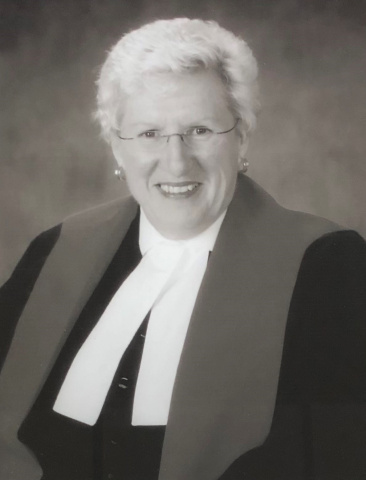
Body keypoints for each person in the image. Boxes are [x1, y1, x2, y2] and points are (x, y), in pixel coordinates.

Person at [0, 17, 365, 480]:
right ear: (117, 147)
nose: (176, 161)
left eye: (200, 130)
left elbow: (339, 458)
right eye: (149, 133)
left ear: (242, 137)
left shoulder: (326, 268)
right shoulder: (55, 251)